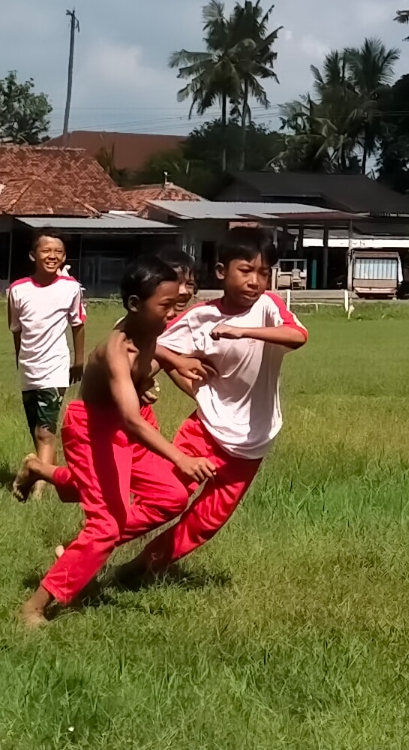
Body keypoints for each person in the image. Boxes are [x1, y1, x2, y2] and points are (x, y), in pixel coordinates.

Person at [19, 248, 216, 624]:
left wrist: (176, 360)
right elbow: (131, 419)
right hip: (92, 430)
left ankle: (40, 472)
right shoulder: (116, 350)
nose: (173, 313)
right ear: (135, 304)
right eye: (166, 305)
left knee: (171, 496)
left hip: (124, 429)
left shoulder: (149, 329)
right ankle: (35, 606)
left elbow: (153, 349)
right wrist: (181, 458)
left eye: (177, 302)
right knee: (106, 526)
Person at [143, 225, 307, 570]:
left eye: (264, 273)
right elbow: (152, 345)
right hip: (204, 431)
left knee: (203, 524)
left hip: (252, 441)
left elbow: (297, 336)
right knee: (162, 499)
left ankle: (135, 571)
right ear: (221, 271)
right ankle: (93, 545)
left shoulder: (268, 307)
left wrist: (241, 331)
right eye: (245, 270)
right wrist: (156, 374)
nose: (255, 281)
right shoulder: (201, 317)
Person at [5, 232, 86, 503]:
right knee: (37, 430)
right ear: (33, 255)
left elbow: (78, 324)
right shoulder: (17, 290)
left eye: (58, 252)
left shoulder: (71, 288)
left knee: (45, 431)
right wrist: (19, 359)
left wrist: (78, 360)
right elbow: (16, 329)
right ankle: (52, 475)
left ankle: (38, 491)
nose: (52, 256)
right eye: (46, 251)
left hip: (56, 367)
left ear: (64, 257)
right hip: (30, 368)